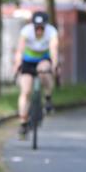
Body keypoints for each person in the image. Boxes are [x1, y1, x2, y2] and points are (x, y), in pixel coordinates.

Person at [14, 10, 58, 138]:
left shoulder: (52, 31)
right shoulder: (26, 31)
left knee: (44, 70)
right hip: (28, 61)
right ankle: (23, 122)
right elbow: (20, 50)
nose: (39, 30)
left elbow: (54, 49)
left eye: (41, 27)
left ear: (46, 26)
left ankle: (48, 98)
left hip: (43, 60)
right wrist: (17, 63)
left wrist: (54, 65)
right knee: (26, 91)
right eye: (36, 27)